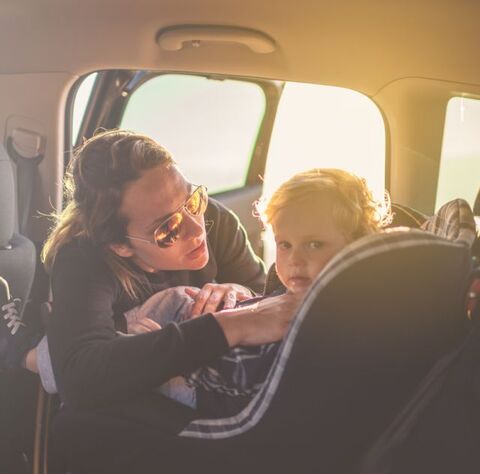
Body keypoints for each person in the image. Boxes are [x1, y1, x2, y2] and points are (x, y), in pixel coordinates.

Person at [0, 130, 299, 426]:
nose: (197, 229)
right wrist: (227, 327)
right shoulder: (84, 259)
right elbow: (79, 377)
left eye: (192, 201)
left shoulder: (217, 222)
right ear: (120, 245)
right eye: (168, 229)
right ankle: (20, 348)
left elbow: (267, 302)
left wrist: (239, 291)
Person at [99, 168, 391, 417]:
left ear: (358, 245)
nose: (294, 260)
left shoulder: (328, 321)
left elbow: (243, 378)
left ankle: (113, 349)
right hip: (208, 358)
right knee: (179, 300)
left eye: (314, 244)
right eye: (284, 244)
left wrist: (152, 353)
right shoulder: (296, 295)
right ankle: (111, 345)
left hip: (207, 390)